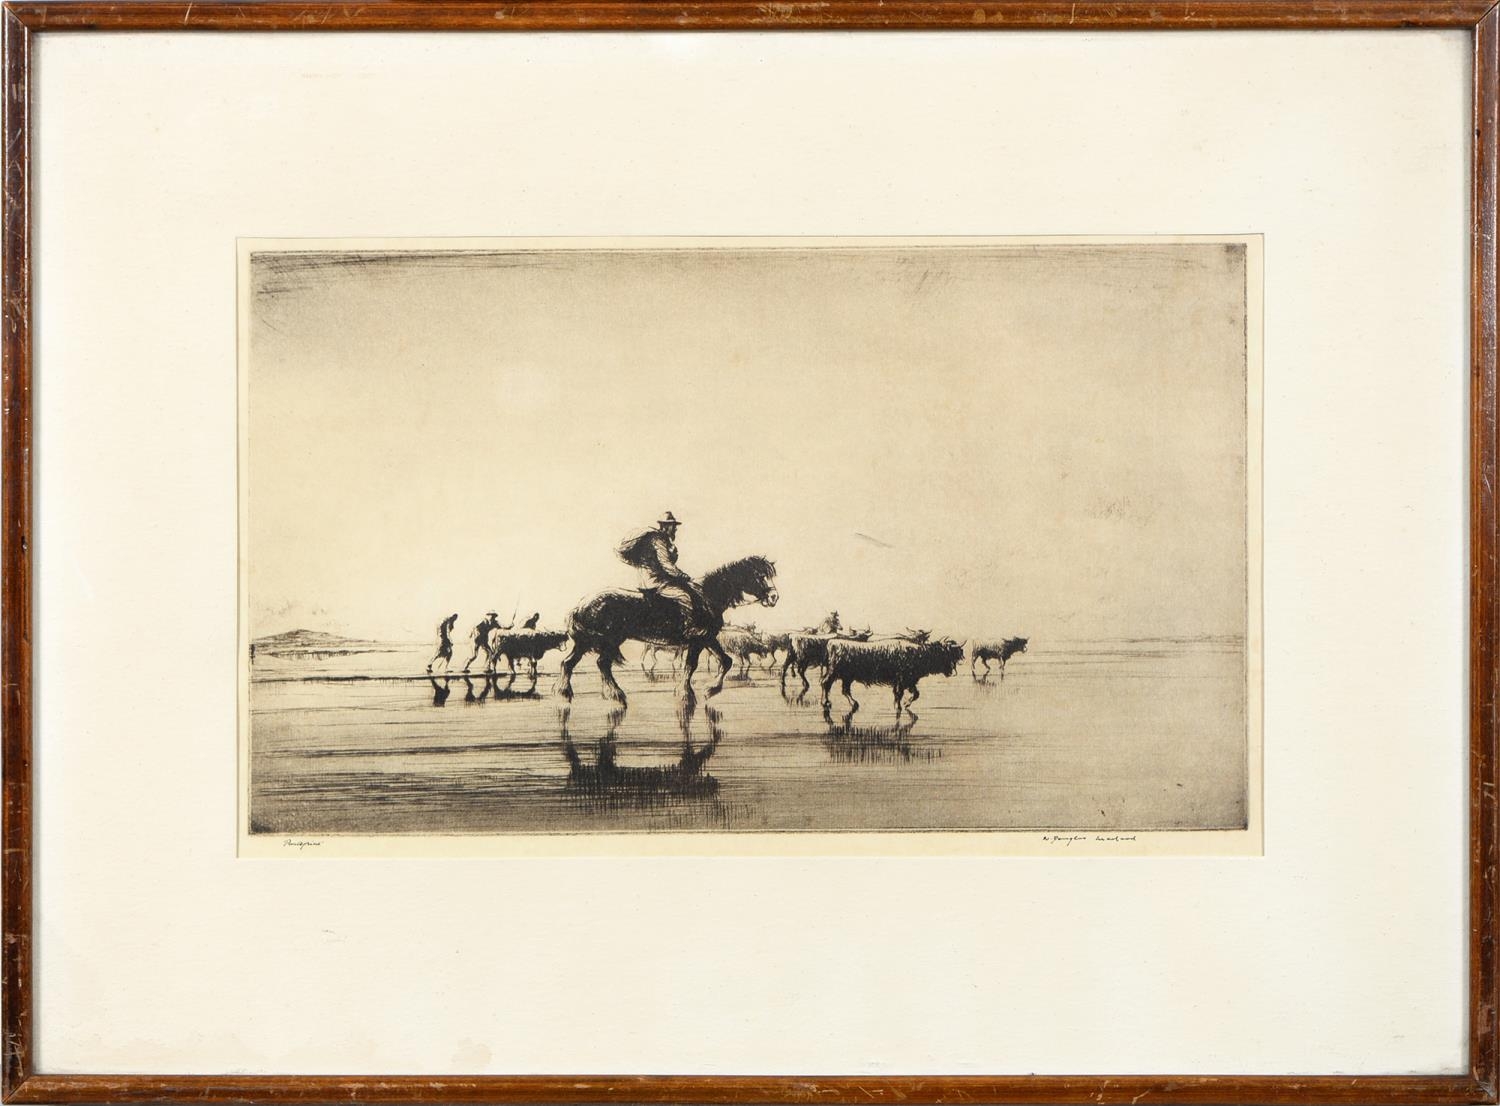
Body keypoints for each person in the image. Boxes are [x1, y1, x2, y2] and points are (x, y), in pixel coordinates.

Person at [616, 511, 711, 636]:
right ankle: (690, 628)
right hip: (654, 582)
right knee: (684, 597)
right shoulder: (658, 540)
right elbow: (666, 565)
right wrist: (683, 576)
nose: (675, 529)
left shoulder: (660, 540)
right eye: (673, 526)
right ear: (666, 526)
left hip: (652, 579)